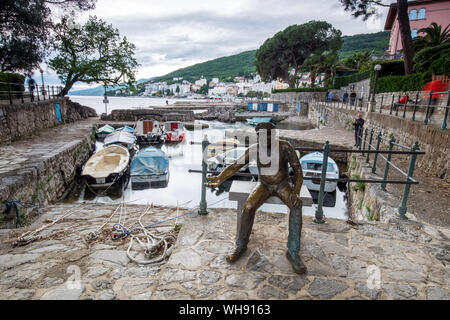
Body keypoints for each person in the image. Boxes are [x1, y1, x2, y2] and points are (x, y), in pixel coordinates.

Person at [205, 122, 307, 274]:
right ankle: (240, 245)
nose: (263, 139)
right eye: (260, 136)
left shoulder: (284, 147)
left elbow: (298, 169)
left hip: (283, 185)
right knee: (248, 207)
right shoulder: (255, 149)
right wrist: (219, 178)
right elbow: (235, 166)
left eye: (266, 136)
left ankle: (293, 251)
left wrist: (296, 192)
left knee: (296, 206)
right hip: (264, 185)